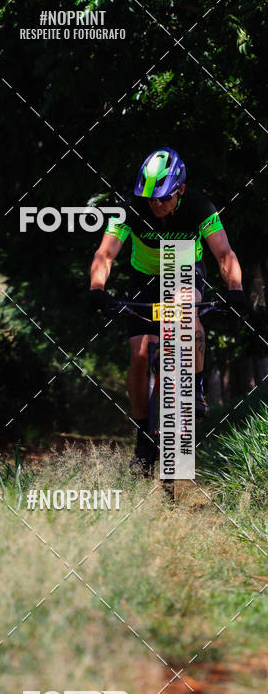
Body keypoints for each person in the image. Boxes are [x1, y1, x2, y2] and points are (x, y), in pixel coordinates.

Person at [89, 147, 244, 474]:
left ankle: (196, 386)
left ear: (181, 190)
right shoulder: (129, 209)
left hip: (185, 267)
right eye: (150, 199)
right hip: (144, 277)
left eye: (163, 198)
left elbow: (224, 254)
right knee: (140, 355)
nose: (156, 205)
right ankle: (144, 436)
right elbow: (105, 255)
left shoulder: (200, 207)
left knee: (188, 312)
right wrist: (97, 289)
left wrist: (236, 290)